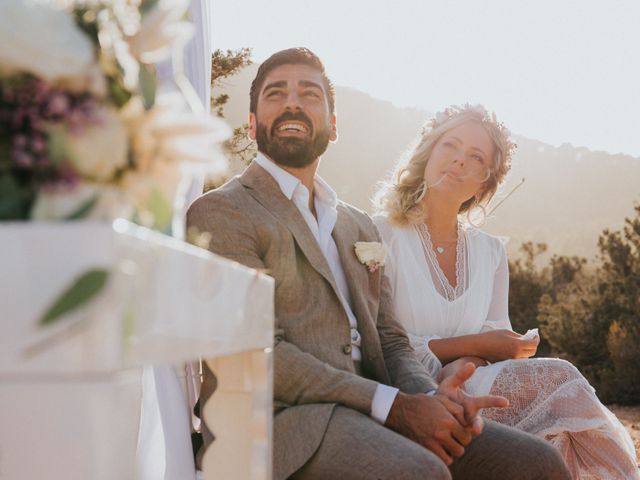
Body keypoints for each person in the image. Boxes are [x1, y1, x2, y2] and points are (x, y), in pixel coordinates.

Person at [188, 49, 571, 480]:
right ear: (254, 123)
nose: (293, 103)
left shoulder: (356, 226)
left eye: (309, 94)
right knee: (420, 472)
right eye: (276, 93)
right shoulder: (221, 213)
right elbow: (255, 356)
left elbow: (389, 341)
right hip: (274, 426)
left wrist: (430, 395)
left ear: (333, 127)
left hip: (373, 410)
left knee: (538, 464)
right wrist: (395, 406)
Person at [373, 104, 639, 479]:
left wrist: (465, 365)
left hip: (473, 392)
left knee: (557, 437)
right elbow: (378, 344)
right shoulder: (378, 235)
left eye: (475, 156)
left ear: (485, 181)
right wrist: (479, 347)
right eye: (450, 145)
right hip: (406, 394)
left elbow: (495, 357)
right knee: (561, 381)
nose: (459, 161)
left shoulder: (491, 253)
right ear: (429, 150)